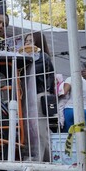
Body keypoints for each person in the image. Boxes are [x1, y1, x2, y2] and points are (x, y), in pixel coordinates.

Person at [23, 32, 55, 162]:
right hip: (27, 97)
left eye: (31, 41)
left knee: (40, 131)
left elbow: (49, 77)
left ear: (38, 43)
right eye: (26, 41)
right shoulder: (24, 58)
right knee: (29, 131)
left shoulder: (41, 57)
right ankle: (37, 161)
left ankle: (42, 162)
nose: (27, 44)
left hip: (39, 96)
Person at [59, 62, 86, 132]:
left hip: (70, 110)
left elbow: (63, 92)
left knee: (70, 135)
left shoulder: (71, 78)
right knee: (85, 136)